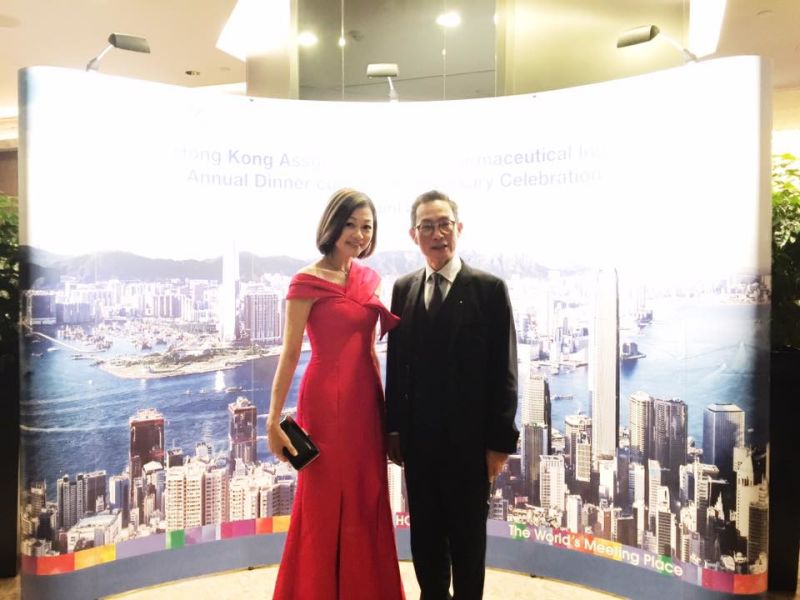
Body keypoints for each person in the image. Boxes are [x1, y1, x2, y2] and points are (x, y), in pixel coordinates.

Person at [269, 188, 405, 600]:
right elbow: (290, 353)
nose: (359, 235)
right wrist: (273, 421)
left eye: (367, 227)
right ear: (332, 225)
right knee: (323, 499)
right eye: (351, 224)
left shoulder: (368, 279)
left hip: (367, 402)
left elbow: (371, 350)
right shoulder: (305, 282)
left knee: (367, 494)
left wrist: (388, 415)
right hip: (325, 403)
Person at [386, 190, 519, 600]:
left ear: (458, 228)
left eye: (444, 224)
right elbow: (397, 365)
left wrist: (499, 444)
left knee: (467, 544)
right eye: (426, 226)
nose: (437, 233)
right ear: (414, 235)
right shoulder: (404, 288)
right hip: (419, 445)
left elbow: (504, 370)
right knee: (425, 541)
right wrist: (394, 431)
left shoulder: (488, 289)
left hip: (470, 447)